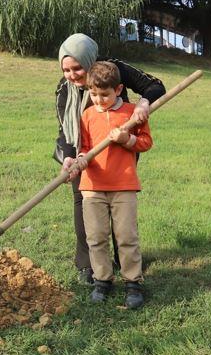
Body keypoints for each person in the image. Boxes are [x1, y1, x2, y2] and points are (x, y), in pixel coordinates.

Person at [55, 33, 165, 286]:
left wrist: (143, 104)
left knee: (118, 205)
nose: (72, 75)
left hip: (120, 150)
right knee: (84, 203)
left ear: (89, 60)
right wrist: (70, 159)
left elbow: (155, 85)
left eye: (77, 67)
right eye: (66, 69)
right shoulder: (64, 88)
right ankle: (88, 265)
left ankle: (126, 260)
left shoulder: (113, 70)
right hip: (83, 153)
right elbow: (64, 129)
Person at [62, 61, 152, 308]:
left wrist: (127, 138)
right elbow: (85, 147)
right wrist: (80, 159)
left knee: (126, 236)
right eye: (93, 94)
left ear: (119, 89)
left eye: (105, 94)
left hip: (124, 185)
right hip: (92, 187)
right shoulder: (88, 115)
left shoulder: (132, 114)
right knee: (96, 236)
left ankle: (133, 282)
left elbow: (145, 142)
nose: (99, 100)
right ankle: (103, 280)